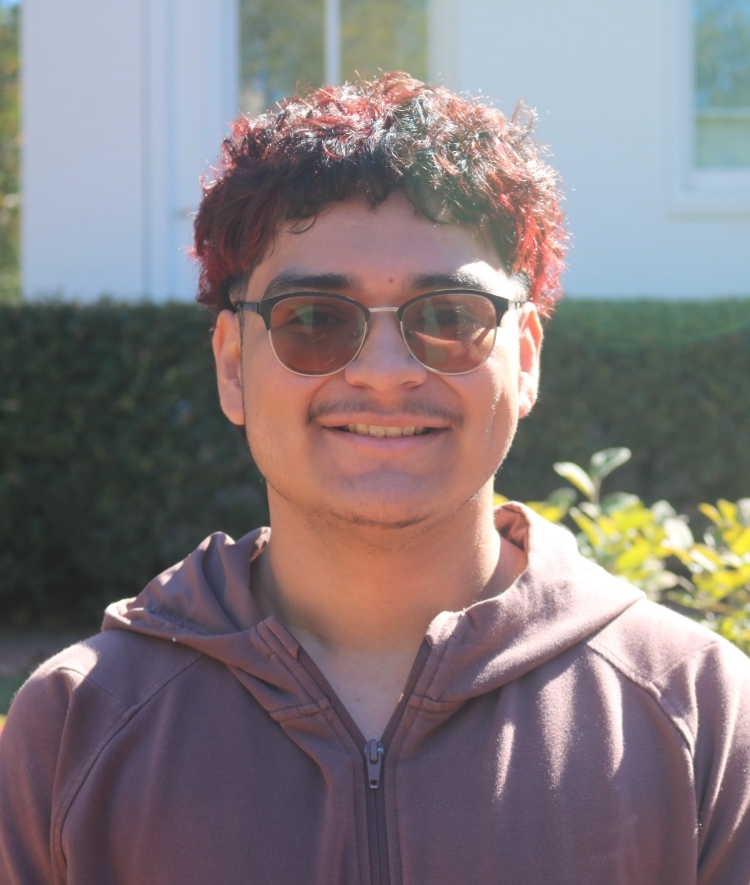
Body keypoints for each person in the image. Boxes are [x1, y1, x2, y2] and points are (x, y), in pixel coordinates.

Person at [1, 73, 749, 885]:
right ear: (232, 366)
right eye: (314, 320)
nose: (385, 372)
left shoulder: (701, 712)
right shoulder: (75, 728)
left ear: (526, 357)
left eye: (451, 316)